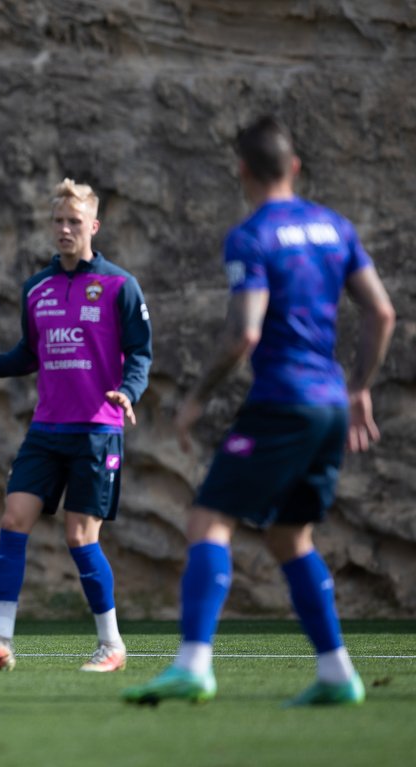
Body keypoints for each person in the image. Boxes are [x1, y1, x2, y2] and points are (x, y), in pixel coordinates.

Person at [123, 116, 395, 707]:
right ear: (294, 166)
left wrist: (196, 398)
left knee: (208, 520)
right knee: (289, 536)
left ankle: (193, 665)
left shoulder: (252, 236)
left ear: (242, 170)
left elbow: (244, 333)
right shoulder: (336, 227)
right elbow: (381, 313)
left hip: (283, 400)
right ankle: (336, 674)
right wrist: (359, 387)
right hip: (329, 402)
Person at [0, 179, 152, 673]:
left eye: (74, 222)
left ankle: (111, 645)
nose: (64, 229)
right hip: (46, 429)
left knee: (80, 537)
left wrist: (129, 391)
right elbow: (28, 354)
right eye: (58, 221)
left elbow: (141, 354)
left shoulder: (120, 286)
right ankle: (0, 642)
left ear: (93, 226)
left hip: (97, 430)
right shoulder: (36, 288)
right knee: (13, 519)